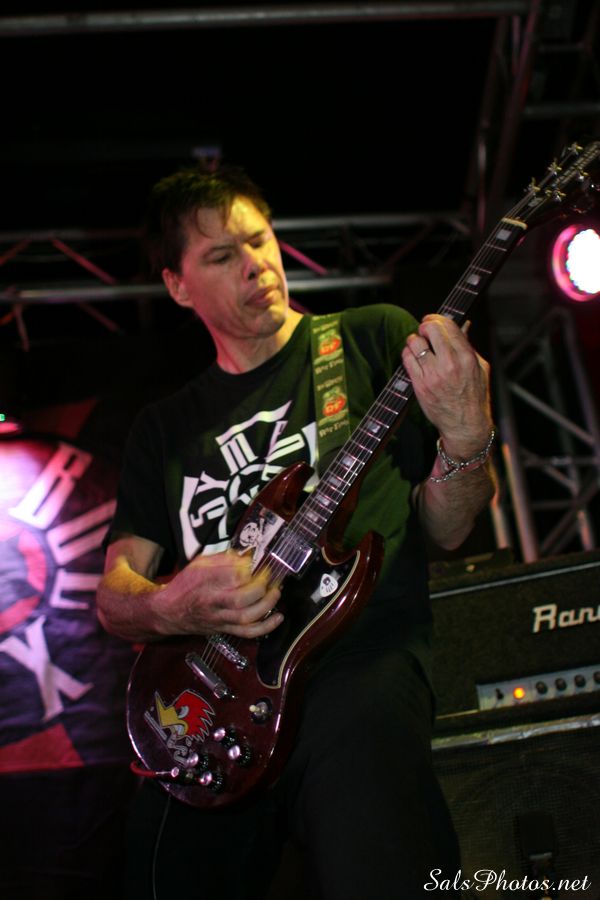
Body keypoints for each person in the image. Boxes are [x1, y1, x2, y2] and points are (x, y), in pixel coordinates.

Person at [97, 163, 495, 900]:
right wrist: (172, 604)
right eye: (222, 255)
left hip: (355, 665)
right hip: (212, 698)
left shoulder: (370, 339)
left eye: (259, 240)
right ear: (178, 286)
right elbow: (115, 596)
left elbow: (446, 527)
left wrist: (468, 439)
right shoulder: (164, 428)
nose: (255, 264)